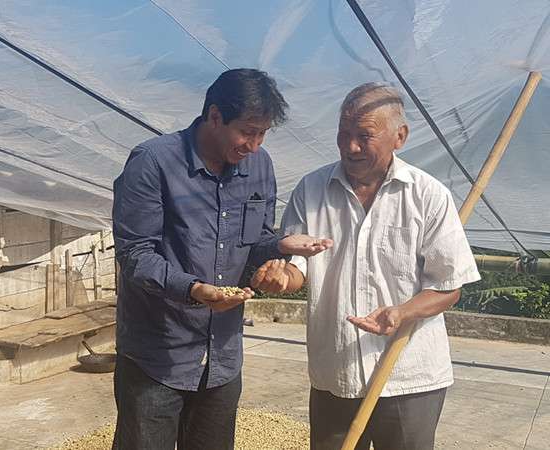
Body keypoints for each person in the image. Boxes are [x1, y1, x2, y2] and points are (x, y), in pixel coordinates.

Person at [111, 68, 332, 450]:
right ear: (215, 116)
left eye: (263, 134)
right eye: (247, 131)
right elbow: (136, 255)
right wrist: (194, 290)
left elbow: (254, 240)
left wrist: (281, 246)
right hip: (158, 357)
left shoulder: (259, 166)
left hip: (222, 358)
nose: (254, 145)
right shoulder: (153, 162)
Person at [252, 83, 481, 450]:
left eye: (364, 136)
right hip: (335, 373)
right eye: (344, 134)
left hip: (408, 376)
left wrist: (403, 312)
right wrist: (282, 278)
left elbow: (448, 286)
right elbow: (298, 268)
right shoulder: (311, 190)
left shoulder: (427, 195)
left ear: (399, 137)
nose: (351, 146)